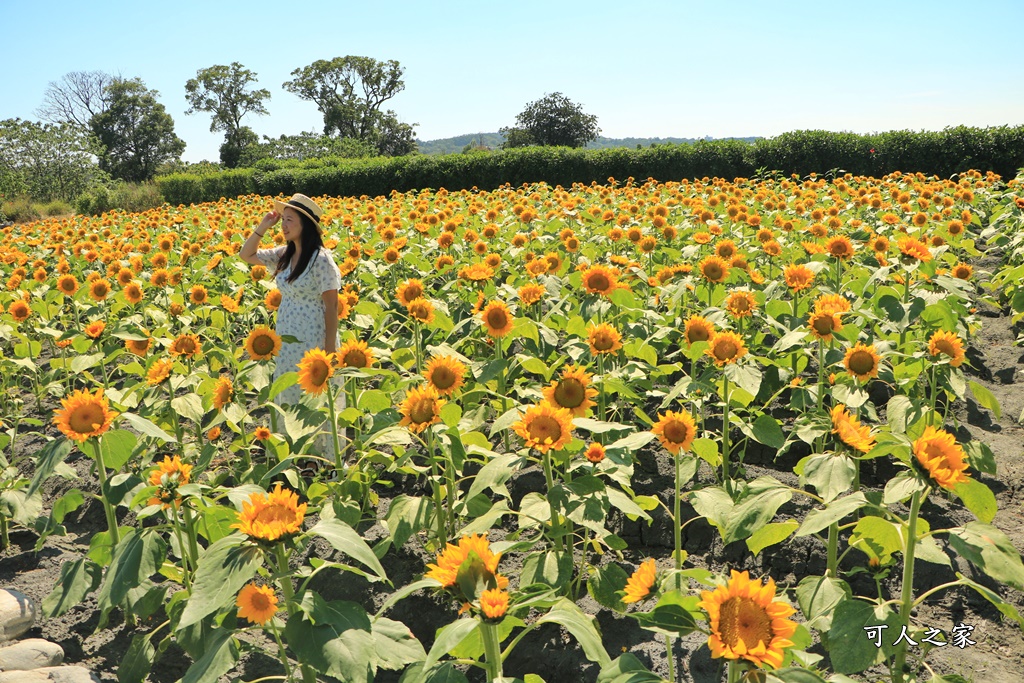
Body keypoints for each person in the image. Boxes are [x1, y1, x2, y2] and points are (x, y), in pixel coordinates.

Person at [238, 193, 345, 466]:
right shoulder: (283, 255)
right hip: (287, 338)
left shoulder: (322, 260)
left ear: (305, 225)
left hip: (314, 338)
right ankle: (296, 452)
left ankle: (320, 459)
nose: (284, 225)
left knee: (316, 399)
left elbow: (332, 306)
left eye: (289, 220)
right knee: (291, 393)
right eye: (283, 220)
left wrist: (330, 349)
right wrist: (263, 226)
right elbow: (246, 254)